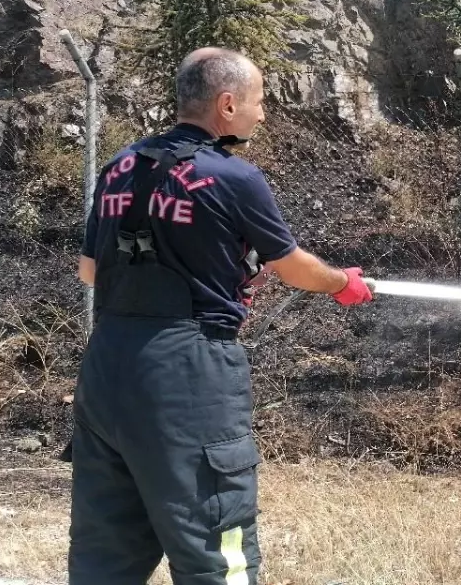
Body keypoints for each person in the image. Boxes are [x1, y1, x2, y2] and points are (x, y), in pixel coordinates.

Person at [68, 47, 373, 585]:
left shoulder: (118, 167)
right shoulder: (234, 176)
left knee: (104, 556)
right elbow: (294, 268)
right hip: (187, 376)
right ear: (227, 104)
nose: (264, 113)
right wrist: (342, 282)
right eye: (259, 101)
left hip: (107, 371)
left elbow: (91, 272)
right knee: (215, 543)